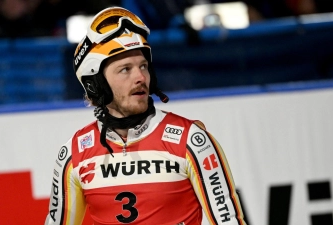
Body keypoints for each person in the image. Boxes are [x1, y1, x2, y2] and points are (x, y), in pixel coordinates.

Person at [44, 6, 247, 225]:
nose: (141, 77)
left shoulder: (191, 141)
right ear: (95, 85)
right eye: (125, 69)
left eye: (143, 66)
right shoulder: (74, 153)